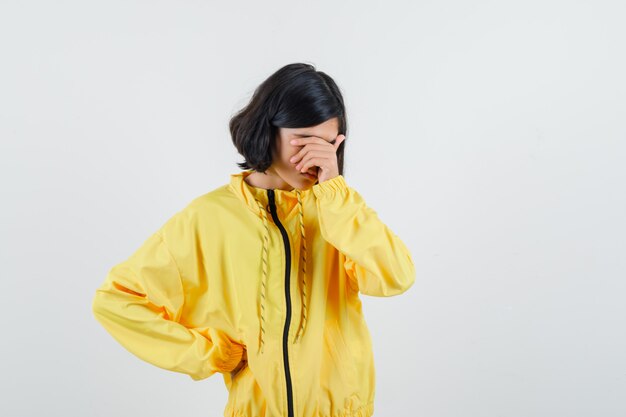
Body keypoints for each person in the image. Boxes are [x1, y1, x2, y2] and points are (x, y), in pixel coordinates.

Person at [92, 62, 416, 417]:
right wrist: (213, 354)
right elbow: (116, 300)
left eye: (326, 144)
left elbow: (395, 276)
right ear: (268, 129)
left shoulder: (338, 212)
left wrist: (335, 195)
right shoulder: (207, 218)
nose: (315, 157)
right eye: (303, 140)